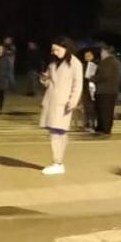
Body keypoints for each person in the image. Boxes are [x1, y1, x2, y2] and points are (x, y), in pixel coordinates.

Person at [37, 37, 83, 175]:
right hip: (51, 101)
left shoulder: (75, 64)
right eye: (53, 49)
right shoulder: (53, 63)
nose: (54, 52)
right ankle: (57, 162)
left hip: (63, 103)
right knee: (56, 132)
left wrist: (73, 100)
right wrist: (44, 79)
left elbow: (78, 84)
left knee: (57, 132)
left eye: (57, 49)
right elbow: (49, 81)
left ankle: (57, 162)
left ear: (66, 48)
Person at [90, 45, 121, 135]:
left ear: (106, 52)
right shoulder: (114, 62)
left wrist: (92, 78)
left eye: (102, 52)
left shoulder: (108, 62)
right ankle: (101, 127)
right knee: (104, 110)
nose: (101, 54)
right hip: (110, 90)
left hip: (105, 90)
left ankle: (104, 128)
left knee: (105, 111)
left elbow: (104, 75)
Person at [80, 49, 98, 133]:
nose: (87, 58)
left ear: (92, 56)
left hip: (92, 89)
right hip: (85, 89)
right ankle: (87, 123)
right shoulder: (83, 66)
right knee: (86, 107)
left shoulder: (95, 65)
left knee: (92, 107)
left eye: (89, 56)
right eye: (85, 56)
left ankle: (92, 124)